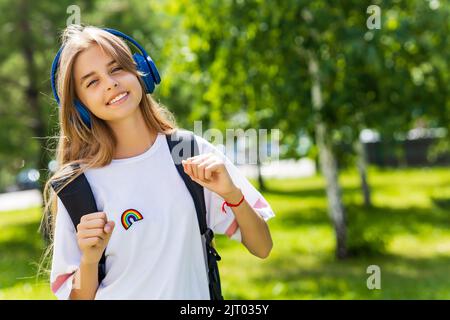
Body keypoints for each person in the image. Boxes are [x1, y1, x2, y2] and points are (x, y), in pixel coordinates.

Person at [42, 24, 275, 300]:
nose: (110, 83)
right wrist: (90, 260)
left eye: (116, 68)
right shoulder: (78, 185)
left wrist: (232, 195)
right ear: (80, 106)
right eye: (92, 82)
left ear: (141, 71)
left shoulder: (187, 151)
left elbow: (262, 247)